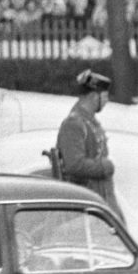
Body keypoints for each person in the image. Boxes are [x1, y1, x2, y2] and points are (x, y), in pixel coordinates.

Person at [56, 69, 123, 219]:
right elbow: (74, 165)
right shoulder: (74, 124)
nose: (107, 100)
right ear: (94, 96)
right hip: (86, 207)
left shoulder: (88, 122)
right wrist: (106, 167)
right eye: (104, 96)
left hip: (100, 202)